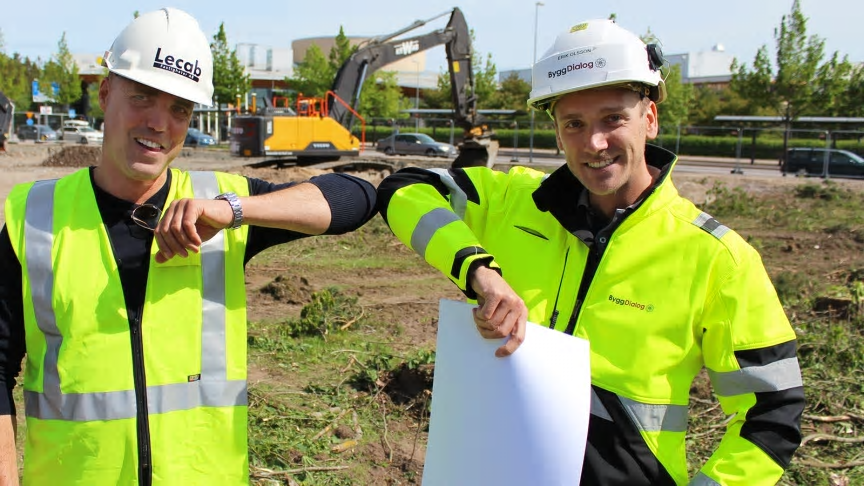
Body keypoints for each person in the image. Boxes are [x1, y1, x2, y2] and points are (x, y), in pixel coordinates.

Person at [377, 19, 804, 486]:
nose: (594, 143)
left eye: (612, 119)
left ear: (650, 118)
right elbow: (406, 188)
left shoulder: (717, 257)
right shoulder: (512, 202)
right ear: (558, 134)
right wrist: (480, 272)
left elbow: (772, 416)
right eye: (574, 124)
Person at [0, 8, 376, 486]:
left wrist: (234, 210)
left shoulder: (217, 200)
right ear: (105, 92)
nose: (160, 122)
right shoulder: (36, 216)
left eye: (180, 108)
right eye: (143, 97)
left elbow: (355, 198)